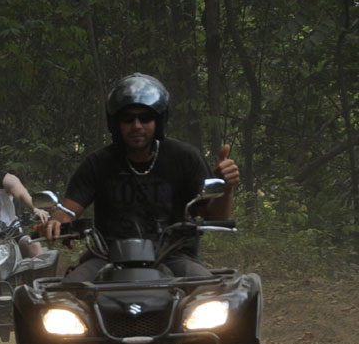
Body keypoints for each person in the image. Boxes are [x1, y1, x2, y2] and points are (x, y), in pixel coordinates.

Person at [38, 72, 240, 281]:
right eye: (128, 119)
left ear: (159, 121)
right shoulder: (98, 163)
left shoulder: (185, 158)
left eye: (145, 118)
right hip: (106, 257)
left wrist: (227, 188)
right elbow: (68, 209)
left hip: (173, 256)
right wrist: (57, 222)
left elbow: (217, 218)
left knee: (209, 295)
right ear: (116, 124)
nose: (136, 125)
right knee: (66, 297)